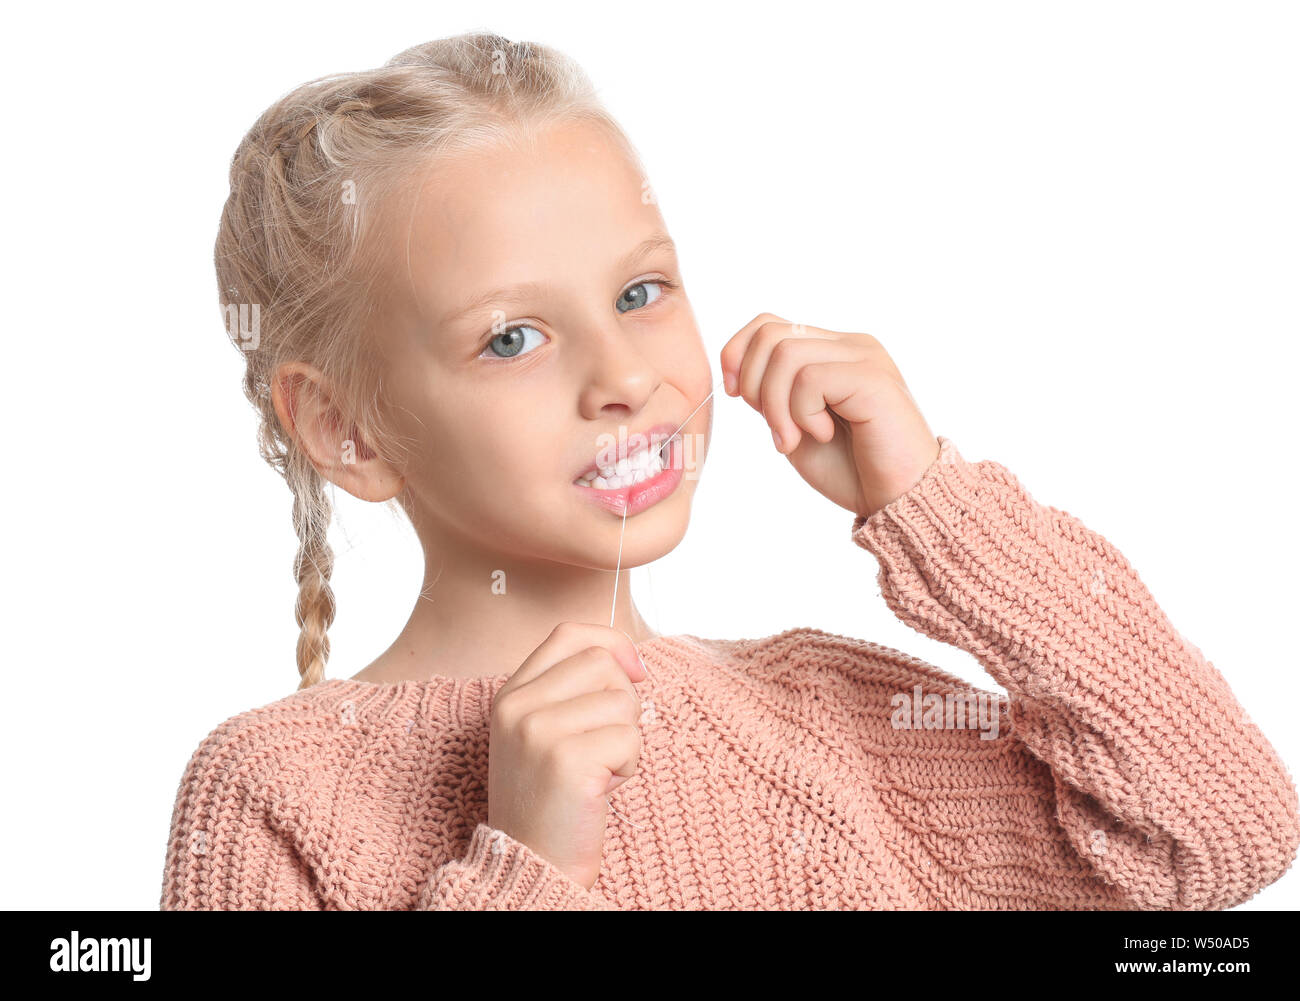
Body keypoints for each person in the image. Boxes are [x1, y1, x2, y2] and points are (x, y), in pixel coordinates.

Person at [160, 31, 1299, 909]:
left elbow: (1219, 828)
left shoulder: (830, 721)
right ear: (347, 428)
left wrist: (933, 506)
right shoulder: (276, 790)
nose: (624, 376)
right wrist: (527, 866)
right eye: (512, 336)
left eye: (639, 293)